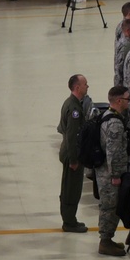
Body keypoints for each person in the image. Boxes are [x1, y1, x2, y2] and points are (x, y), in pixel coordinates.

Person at [97, 86, 129, 257]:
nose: (128, 102)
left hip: (104, 170)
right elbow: (113, 152)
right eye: (127, 99)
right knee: (110, 207)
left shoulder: (107, 115)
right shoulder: (115, 123)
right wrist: (116, 175)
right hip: (110, 174)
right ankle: (105, 241)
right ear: (118, 101)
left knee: (109, 206)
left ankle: (107, 239)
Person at [56, 74, 90, 233]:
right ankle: (69, 222)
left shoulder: (70, 103)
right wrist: (74, 159)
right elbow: (71, 134)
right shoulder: (75, 109)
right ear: (77, 87)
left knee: (70, 186)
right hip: (72, 155)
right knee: (71, 189)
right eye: (85, 84)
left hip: (70, 153)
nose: (87, 86)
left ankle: (70, 219)